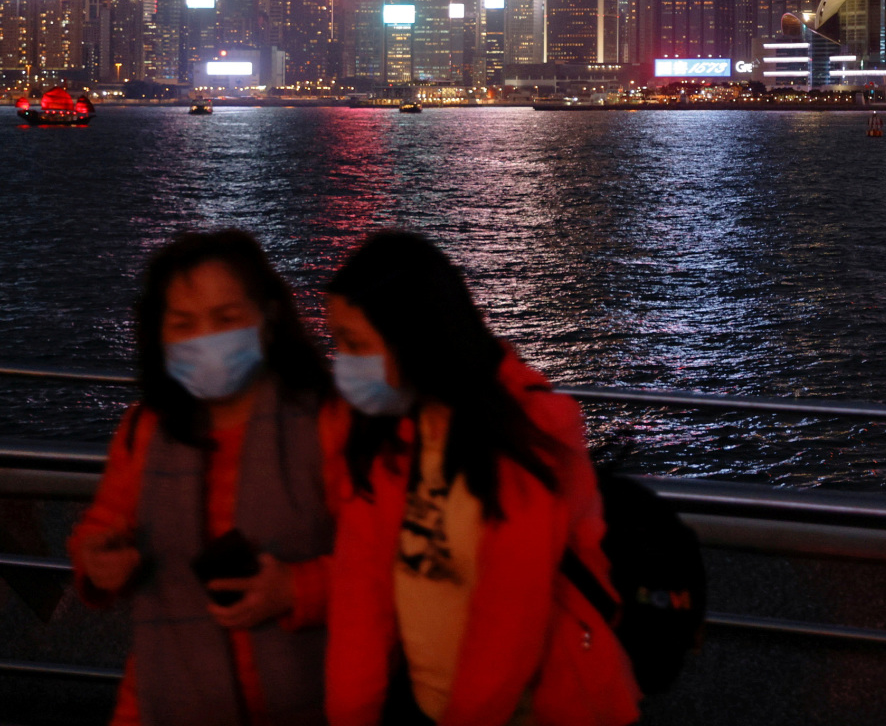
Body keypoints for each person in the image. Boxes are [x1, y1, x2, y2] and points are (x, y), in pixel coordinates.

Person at [322, 232, 639, 726]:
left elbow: (508, 623)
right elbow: (359, 593)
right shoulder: (384, 438)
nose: (341, 362)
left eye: (354, 344)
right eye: (336, 342)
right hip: (430, 704)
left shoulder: (528, 439)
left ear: (415, 338)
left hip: (546, 709)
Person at [69, 230, 350, 726]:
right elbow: (102, 524)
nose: (206, 338)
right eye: (183, 324)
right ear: (159, 334)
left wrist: (296, 589)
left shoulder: (327, 424)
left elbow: (381, 561)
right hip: (163, 701)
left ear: (267, 318)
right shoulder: (145, 430)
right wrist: (98, 560)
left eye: (227, 319)